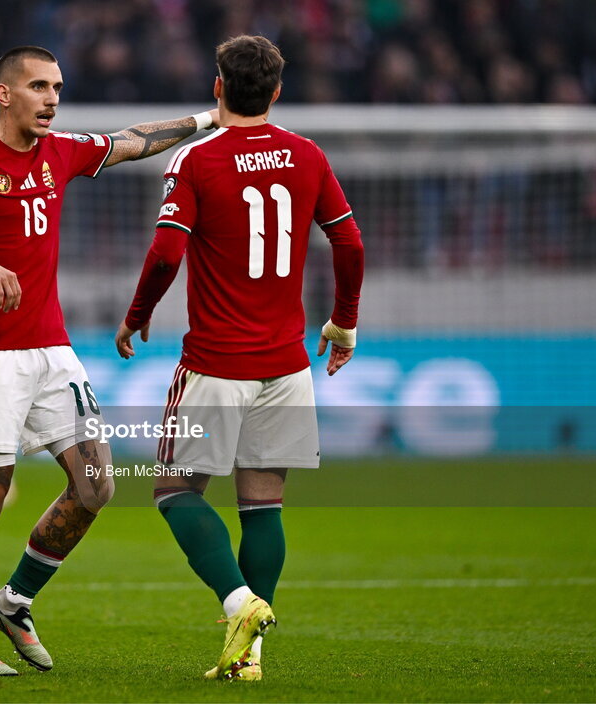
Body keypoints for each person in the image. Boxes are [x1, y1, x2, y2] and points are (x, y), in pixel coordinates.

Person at [0, 45, 220, 677]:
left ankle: (14, 602)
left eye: (58, 89)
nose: (51, 100)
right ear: (5, 94)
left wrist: (210, 119)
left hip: (52, 352)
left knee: (97, 485)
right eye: (39, 87)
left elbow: (132, 142)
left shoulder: (62, 152)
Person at [115, 35, 364, 681]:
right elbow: (350, 242)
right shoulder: (307, 155)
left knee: (173, 491)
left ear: (218, 86)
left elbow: (168, 253)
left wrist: (137, 316)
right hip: (286, 363)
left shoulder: (198, 161)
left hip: (217, 361)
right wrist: (344, 322)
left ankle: (238, 605)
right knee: (263, 505)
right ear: (277, 91)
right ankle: (250, 658)